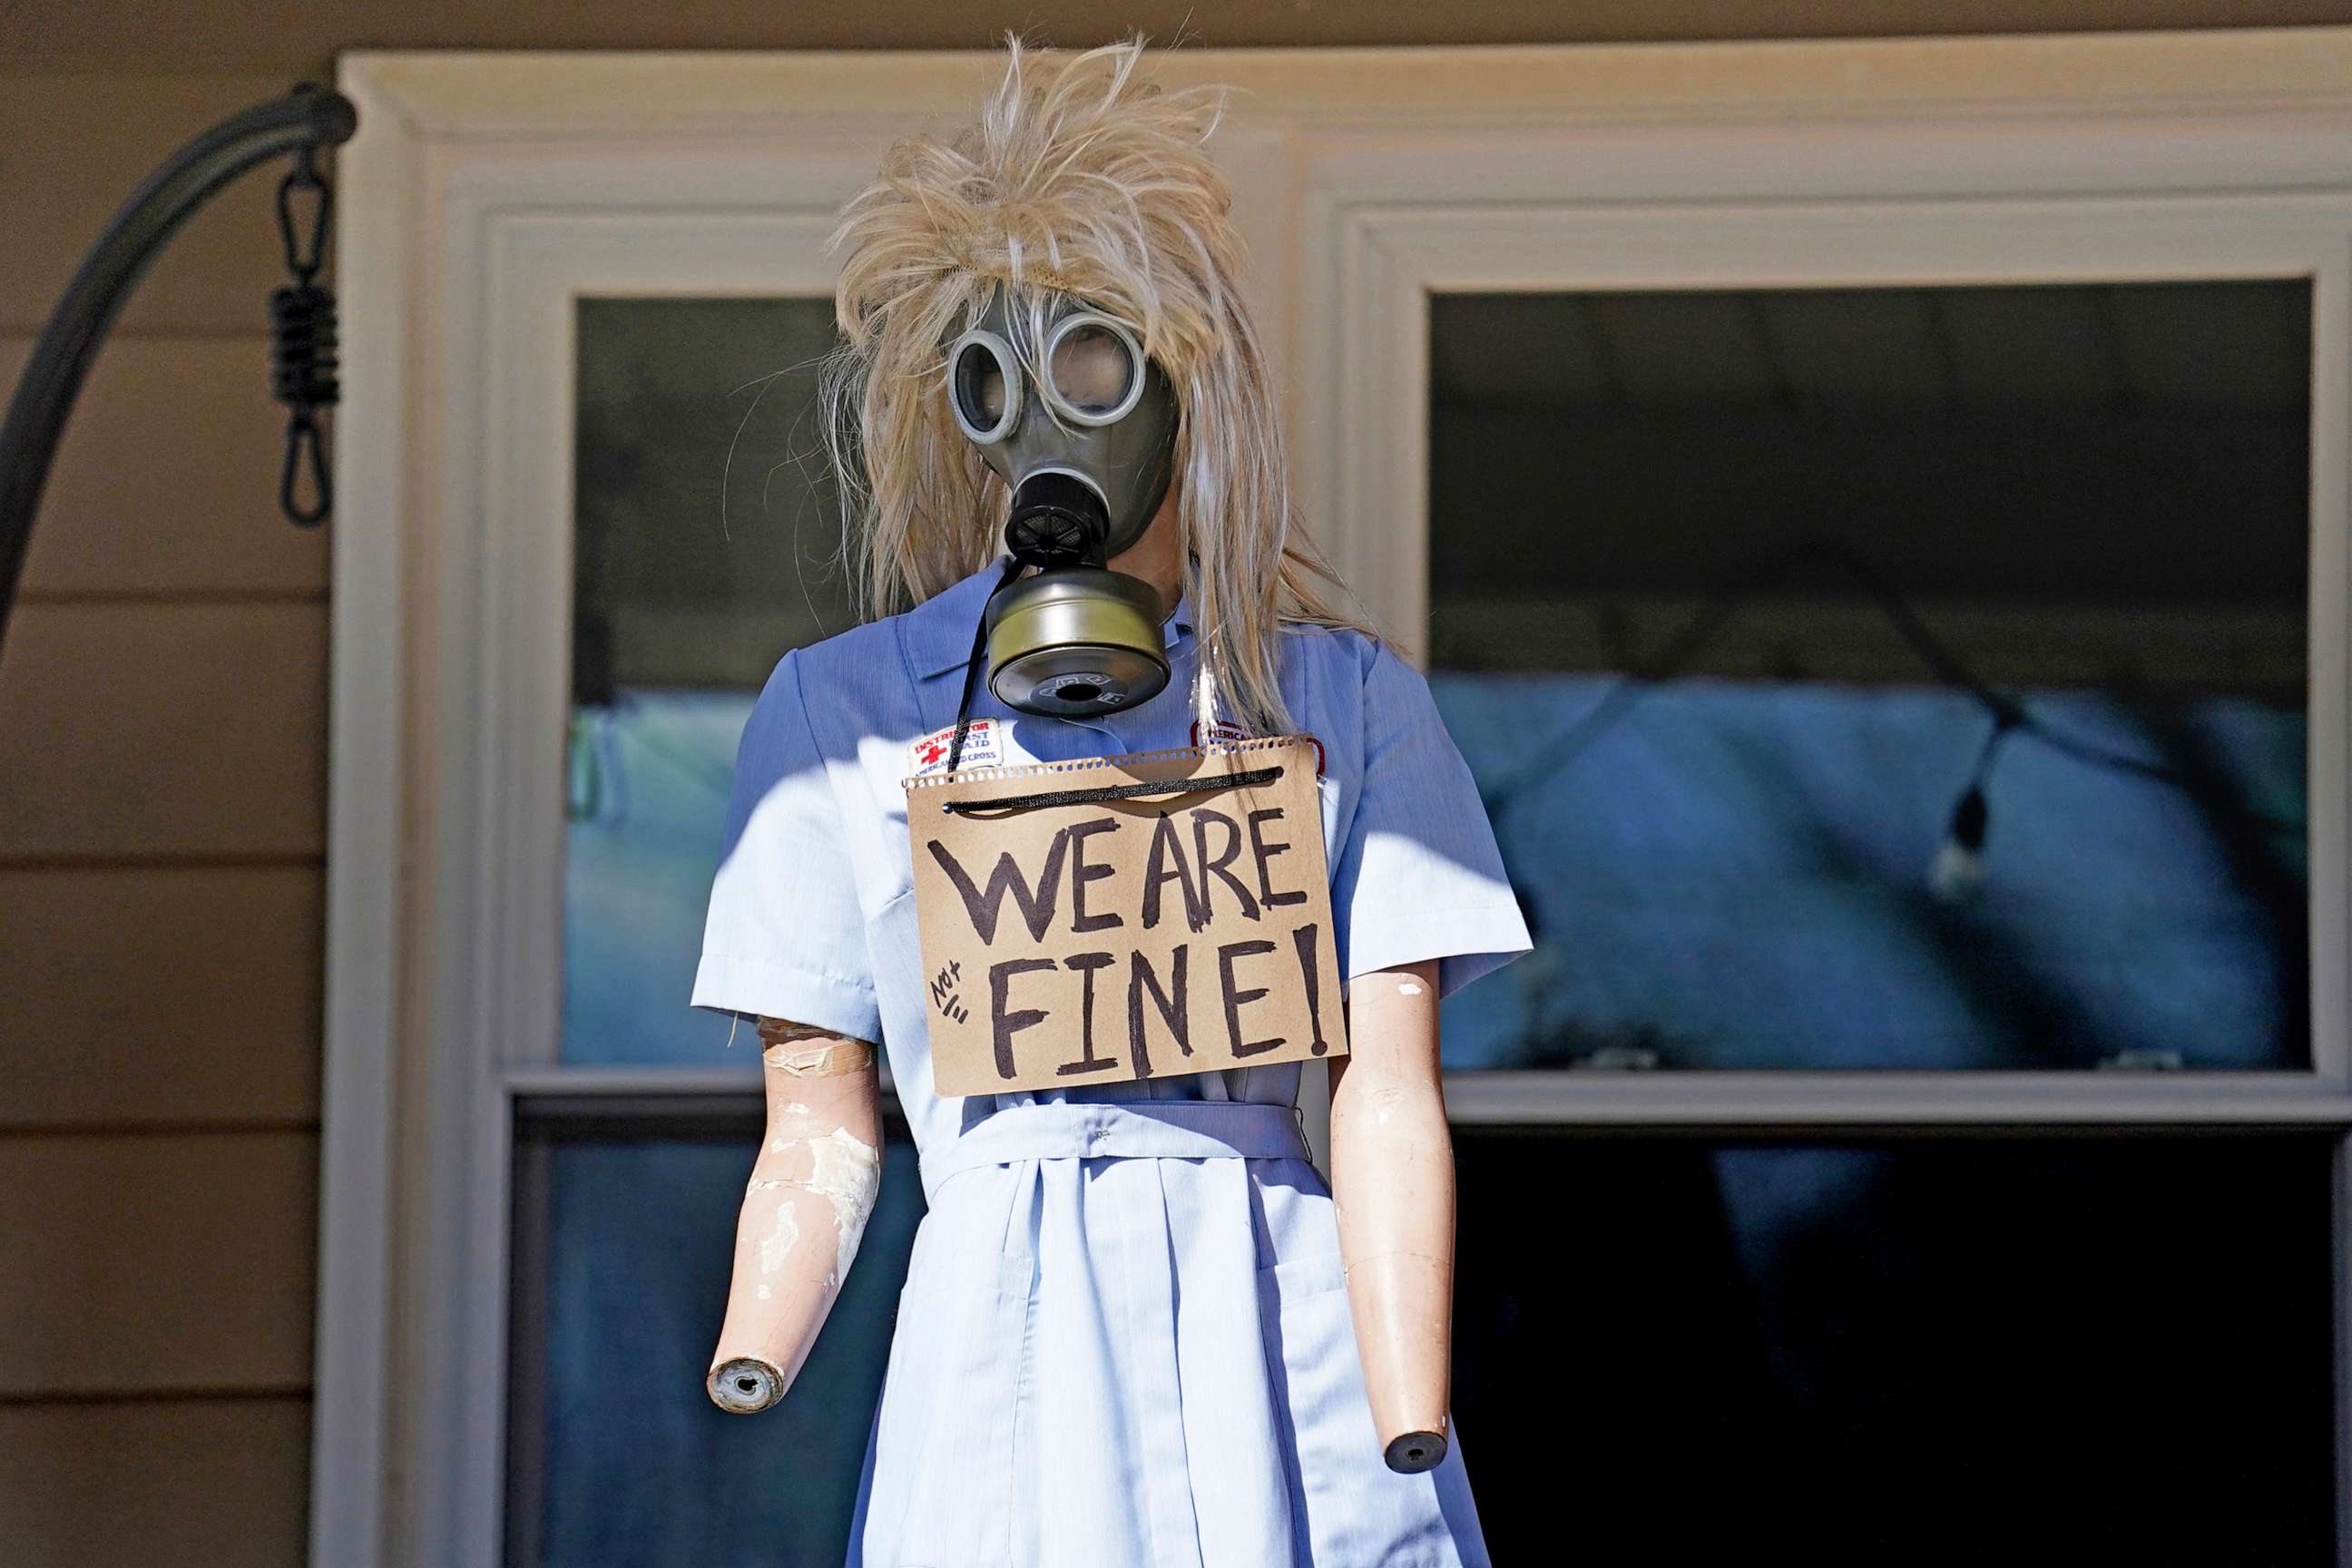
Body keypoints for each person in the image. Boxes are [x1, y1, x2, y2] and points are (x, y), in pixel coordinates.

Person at [691, 34, 1532, 1567]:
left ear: (1180, 378)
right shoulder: (848, 714)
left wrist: (1408, 1383)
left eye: (1093, 363)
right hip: (1002, 1320)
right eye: (993, 383)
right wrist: (761, 1325)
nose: (1044, 431)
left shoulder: (1331, 703)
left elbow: (1385, 1087)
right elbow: (816, 1109)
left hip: (1275, 1302)